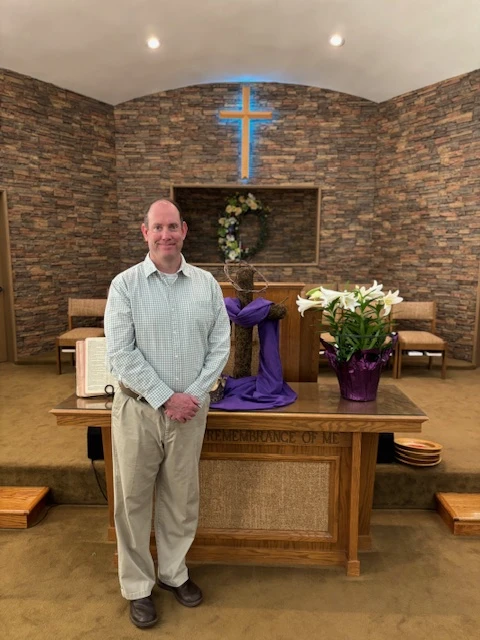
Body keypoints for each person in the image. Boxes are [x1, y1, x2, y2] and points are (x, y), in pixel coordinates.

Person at [104, 198, 231, 629]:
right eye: (157, 227)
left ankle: (174, 572)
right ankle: (138, 586)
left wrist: (190, 395)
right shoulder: (125, 285)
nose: (165, 235)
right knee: (133, 501)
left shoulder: (206, 284)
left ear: (184, 230)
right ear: (145, 232)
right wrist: (165, 397)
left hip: (190, 412)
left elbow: (220, 345)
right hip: (138, 410)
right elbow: (121, 354)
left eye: (172, 226)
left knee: (181, 499)